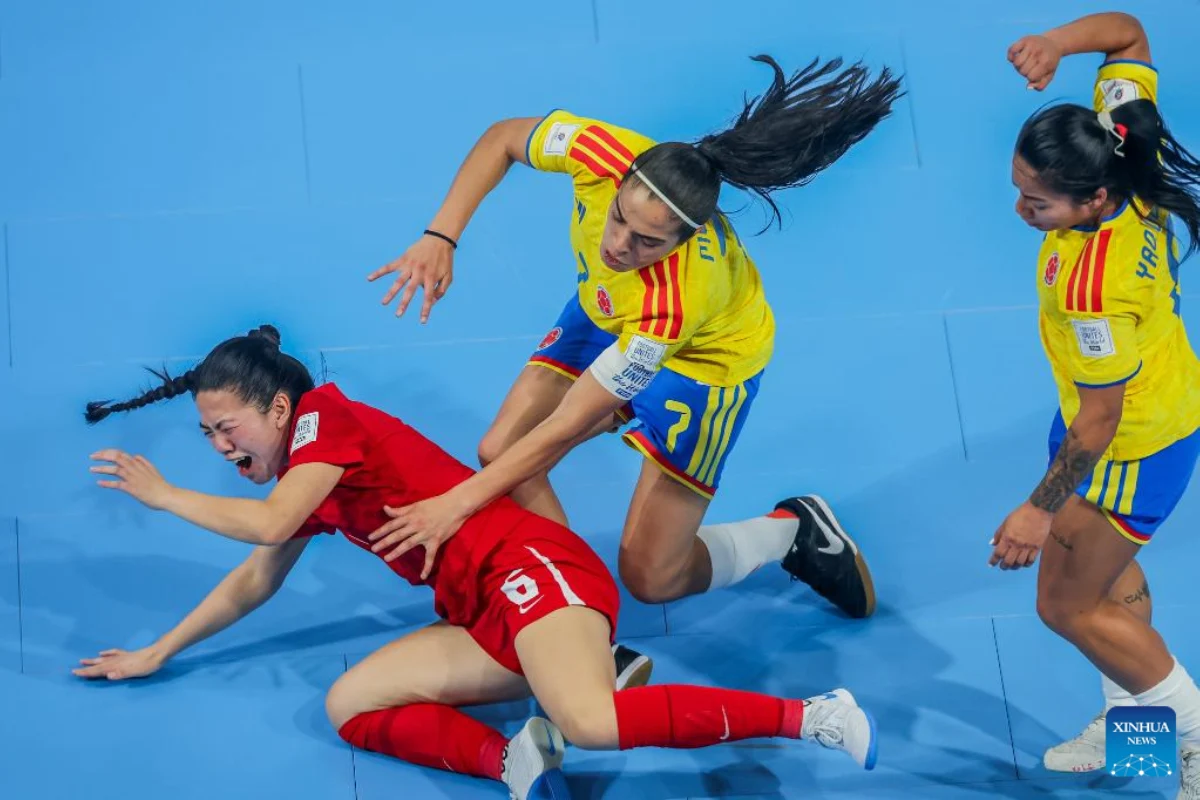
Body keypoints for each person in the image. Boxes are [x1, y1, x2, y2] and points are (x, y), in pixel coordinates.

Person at [77, 325, 879, 800]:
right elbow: (256, 576)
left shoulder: (325, 421)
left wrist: (165, 496)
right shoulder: (306, 474)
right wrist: (158, 650)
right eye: (208, 438)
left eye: (227, 430)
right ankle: (514, 758)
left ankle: (814, 715)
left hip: (534, 569)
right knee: (351, 705)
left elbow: (269, 524)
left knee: (591, 722)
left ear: (279, 408)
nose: (221, 449)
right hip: (483, 609)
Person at [365, 55, 904, 619]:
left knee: (653, 577)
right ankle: (576, 615)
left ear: (683, 240)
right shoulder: (599, 153)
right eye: (619, 217)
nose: (619, 244)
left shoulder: (672, 305)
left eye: (648, 241)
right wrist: (440, 236)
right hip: (607, 308)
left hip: (706, 365)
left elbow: (566, 424)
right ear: (620, 183)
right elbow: (502, 139)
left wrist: (453, 505)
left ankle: (792, 534)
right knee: (499, 450)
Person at [997, 12, 1200, 796]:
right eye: (1018, 189)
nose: (1022, 212)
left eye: (1039, 204)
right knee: (1112, 590)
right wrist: (1057, 44)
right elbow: (1128, 34)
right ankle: (1140, 745)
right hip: (1145, 406)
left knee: (1065, 607)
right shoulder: (1125, 142)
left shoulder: (1092, 290)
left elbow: (1101, 421)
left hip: (1126, 444)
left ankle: (1189, 731)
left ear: (1091, 201)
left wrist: (1037, 508)